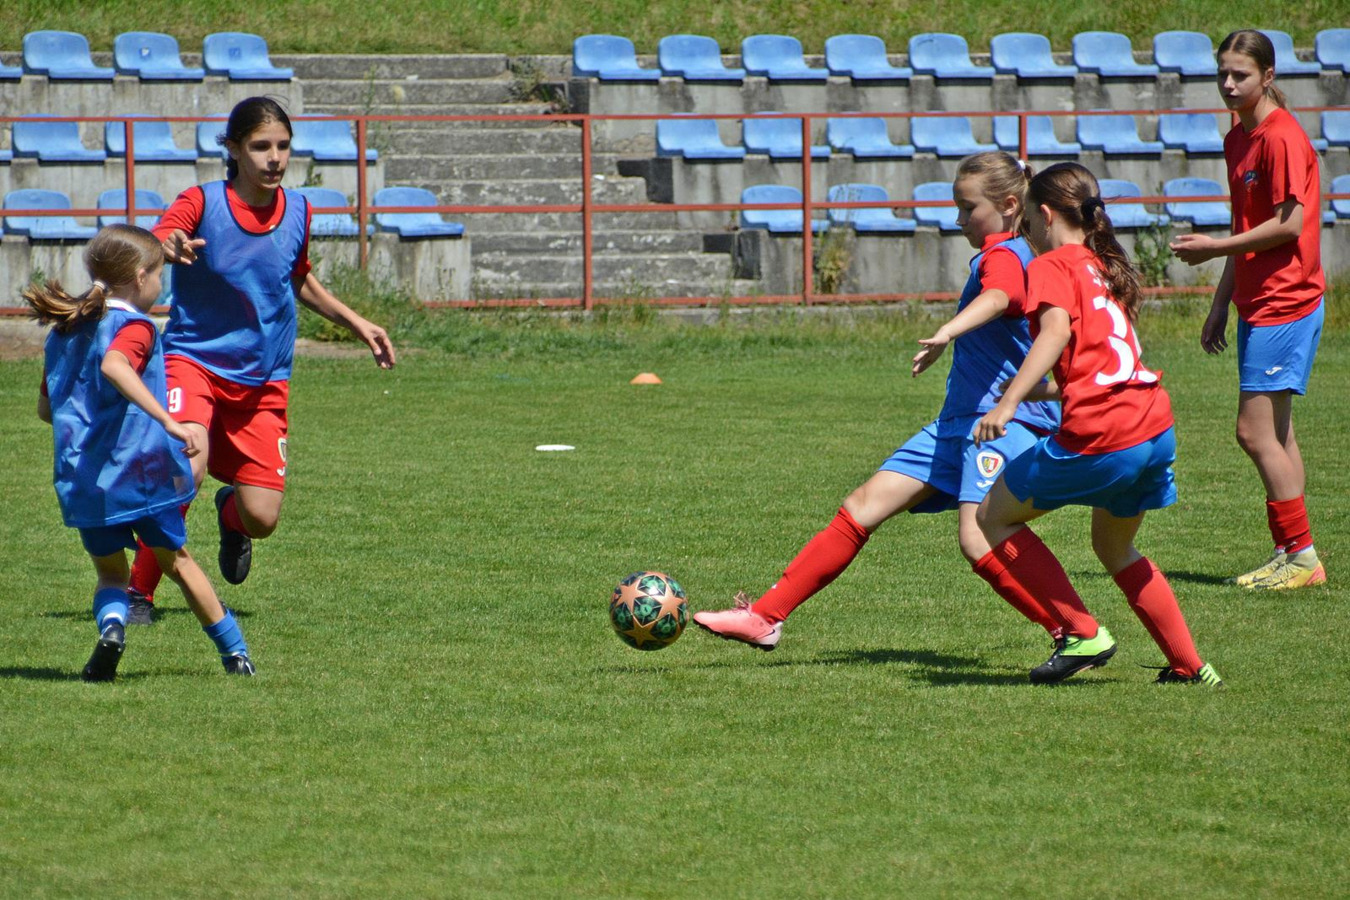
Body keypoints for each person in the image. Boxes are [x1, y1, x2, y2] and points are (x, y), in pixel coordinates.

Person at [693, 152, 1063, 651]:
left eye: (967, 207)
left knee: (979, 535)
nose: (958, 219)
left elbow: (999, 297)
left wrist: (947, 332)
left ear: (1009, 205)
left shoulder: (1006, 255)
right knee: (862, 506)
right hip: (958, 423)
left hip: (997, 424)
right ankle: (764, 617)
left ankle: (1074, 632)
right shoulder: (1008, 252)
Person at [124, 96, 397, 623]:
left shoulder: (299, 209)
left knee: (262, 517)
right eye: (260, 146)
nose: (274, 158)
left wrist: (357, 323)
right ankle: (139, 592)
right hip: (193, 361)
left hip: (264, 377)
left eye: (283, 146)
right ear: (233, 149)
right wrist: (167, 243)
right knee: (185, 466)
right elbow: (159, 238)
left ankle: (231, 516)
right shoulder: (202, 201)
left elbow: (297, 277)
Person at [974, 162, 1221, 686]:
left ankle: (1080, 632)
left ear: (1045, 215)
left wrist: (1008, 403)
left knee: (990, 517)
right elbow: (1102, 365)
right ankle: (1190, 666)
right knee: (1114, 548)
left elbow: (1054, 334)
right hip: (1153, 426)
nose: (1026, 233)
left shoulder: (1050, 264)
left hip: (1106, 434)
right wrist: (1038, 390)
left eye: (1027, 223)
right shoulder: (1100, 264)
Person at [26, 225, 255, 681]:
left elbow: (47, 411)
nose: (160, 286)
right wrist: (168, 420)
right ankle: (236, 654)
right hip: (140, 475)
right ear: (140, 276)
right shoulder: (135, 327)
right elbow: (115, 365)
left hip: (84, 480)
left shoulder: (63, 332)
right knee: (179, 563)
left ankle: (112, 628)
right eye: (160, 275)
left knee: (111, 575)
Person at [1170, 29, 1326, 590]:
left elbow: (1289, 225)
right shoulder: (1237, 137)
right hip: (1258, 301)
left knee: (1253, 432)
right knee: (1278, 435)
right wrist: (1221, 302)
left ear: (1268, 76)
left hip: (1287, 300)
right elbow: (1248, 227)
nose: (1229, 84)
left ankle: (1302, 557)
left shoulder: (1281, 137)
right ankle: (1290, 553)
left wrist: (1213, 248)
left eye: (1241, 74)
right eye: (1223, 74)